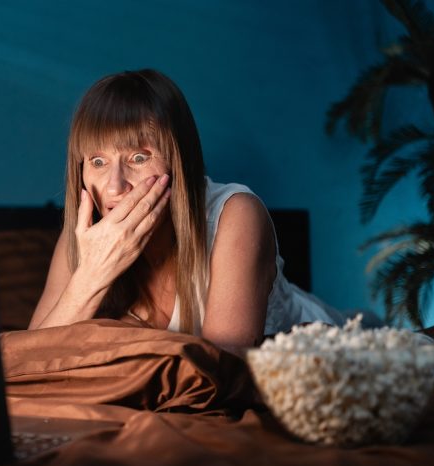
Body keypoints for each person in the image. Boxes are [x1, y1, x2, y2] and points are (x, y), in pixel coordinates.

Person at [29, 69, 345, 352]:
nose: (114, 187)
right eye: (98, 162)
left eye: (139, 158)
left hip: (343, 352)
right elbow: (26, 362)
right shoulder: (84, 239)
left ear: (178, 160)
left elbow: (221, 374)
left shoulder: (235, 215)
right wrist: (91, 276)